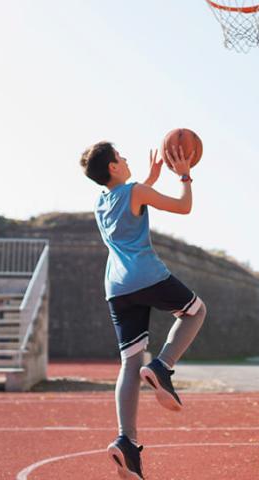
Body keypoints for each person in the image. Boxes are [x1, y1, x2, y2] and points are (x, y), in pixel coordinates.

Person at [80, 141, 207, 479]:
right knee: (195, 311)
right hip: (145, 275)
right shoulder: (135, 191)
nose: (125, 159)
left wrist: (149, 180)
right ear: (112, 166)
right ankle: (163, 367)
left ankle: (127, 443)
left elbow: (129, 207)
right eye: (120, 157)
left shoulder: (101, 202)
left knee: (130, 362)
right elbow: (183, 207)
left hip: (117, 289)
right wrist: (185, 176)